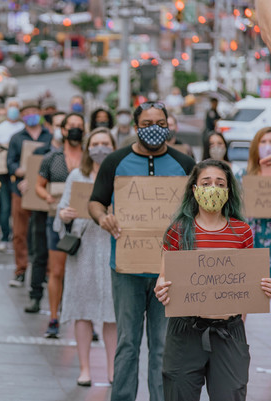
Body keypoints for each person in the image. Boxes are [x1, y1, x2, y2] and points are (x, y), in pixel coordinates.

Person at [88, 101, 195, 401]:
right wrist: (102, 217)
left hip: (168, 273)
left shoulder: (184, 164)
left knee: (163, 345)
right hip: (126, 268)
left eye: (160, 123)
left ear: (169, 126)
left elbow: (195, 210)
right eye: (147, 124)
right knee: (127, 343)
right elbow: (96, 200)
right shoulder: (115, 161)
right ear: (136, 127)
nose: (154, 129)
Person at [155, 159, 271, 400]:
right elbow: (163, 277)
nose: (213, 188)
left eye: (220, 183)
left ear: (228, 191)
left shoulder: (242, 231)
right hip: (185, 331)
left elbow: (248, 283)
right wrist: (162, 289)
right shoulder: (178, 230)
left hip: (229, 332)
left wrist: (262, 289)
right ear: (194, 189)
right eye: (206, 183)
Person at [56, 128, 117, 386]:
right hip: (83, 250)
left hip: (113, 247)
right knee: (82, 309)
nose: (100, 148)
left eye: (105, 143)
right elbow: (61, 211)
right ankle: (84, 369)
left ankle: (113, 370)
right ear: (88, 147)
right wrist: (65, 215)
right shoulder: (76, 175)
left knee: (112, 312)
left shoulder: (121, 176)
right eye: (96, 143)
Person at [34, 113, 85, 337]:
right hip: (56, 220)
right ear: (63, 130)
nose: (75, 130)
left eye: (79, 126)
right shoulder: (51, 158)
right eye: (71, 126)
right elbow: (39, 185)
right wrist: (47, 197)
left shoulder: (90, 158)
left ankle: (85, 318)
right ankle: (54, 317)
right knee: (57, 271)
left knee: (84, 272)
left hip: (85, 222)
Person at [6, 100, 52, 288]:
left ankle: (46, 271)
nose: (31, 114)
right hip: (21, 190)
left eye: (34, 111)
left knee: (45, 232)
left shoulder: (49, 136)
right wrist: (21, 172)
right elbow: (10, 163)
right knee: (20, 233)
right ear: (22, 116)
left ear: (40, 113)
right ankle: (21, 270)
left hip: (44, 191)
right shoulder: (16, 138)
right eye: (27, 112)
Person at [0, 97, 24, 252]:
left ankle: (19, 236)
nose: (13, 110)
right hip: (2, 173)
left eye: (16, 107)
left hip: (19, 173)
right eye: (11, 106)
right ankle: (5, 235)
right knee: (4, 204)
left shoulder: (23, 128)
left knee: (19, 206)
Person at [239, 127, 271, 275]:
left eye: (270, 142)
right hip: (251, 240)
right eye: (263, 142)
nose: (267, 146)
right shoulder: (242, 176)